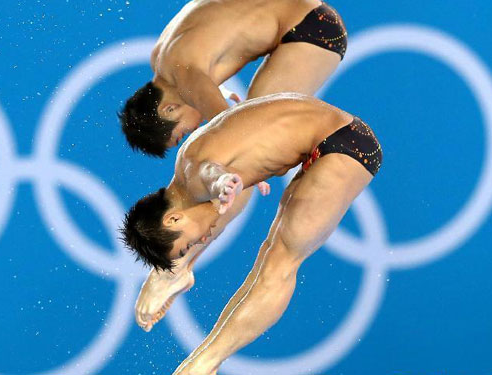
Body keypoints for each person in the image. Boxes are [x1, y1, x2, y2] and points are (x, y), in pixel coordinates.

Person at [121, 93, 382, 375]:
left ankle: (201, 365)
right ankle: (204, 359)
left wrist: (224, 182)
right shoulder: (185, 165)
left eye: (187, 247)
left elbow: (210, 172)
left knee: (280, 264)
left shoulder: (198, 178)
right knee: (269, 255)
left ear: (173, 218)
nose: (201, 242)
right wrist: (237, 177)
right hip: (331, 139)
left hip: (346, 145)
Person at [118, 0, 347, 157]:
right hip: (310, 19)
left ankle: (329, 147)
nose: (193, 131)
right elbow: (209, 47)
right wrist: (221, 92)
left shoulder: (183, 77)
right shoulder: (163, 62)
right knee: (253, 128)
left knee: (250, 137)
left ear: (168, 109)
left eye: (181, 134)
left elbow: (231, 131)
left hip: (312, 30)